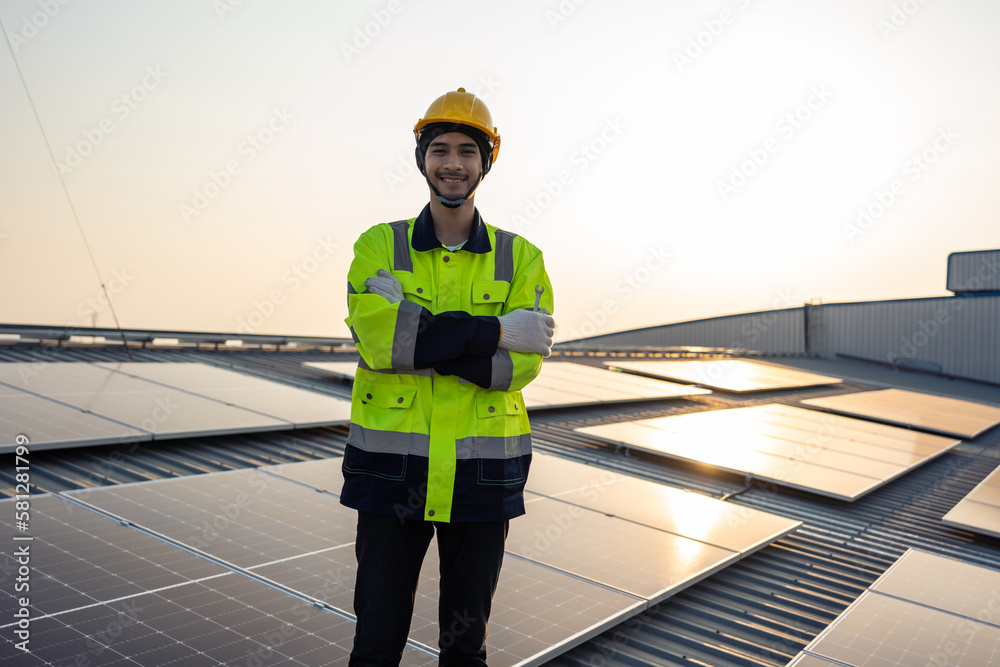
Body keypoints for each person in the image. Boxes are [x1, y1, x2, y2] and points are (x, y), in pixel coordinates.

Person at [341, 87, 556, 666]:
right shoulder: (377, 245)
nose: (453, 163)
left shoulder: (522, 258)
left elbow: (518, 367)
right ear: (422, 159)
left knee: (465, 649)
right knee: (376, 643)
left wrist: (421, 335)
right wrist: (493, 330)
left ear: (486, 162)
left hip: (482, 479)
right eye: (440, 149)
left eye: (467, 150)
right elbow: (380, 341)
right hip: (390, 477)